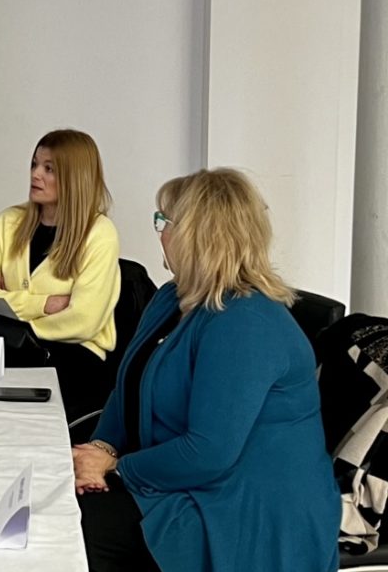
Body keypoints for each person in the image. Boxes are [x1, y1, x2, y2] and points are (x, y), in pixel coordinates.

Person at [74, 168, 340, 572]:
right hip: (184, 480)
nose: (159, 232)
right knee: (59, 508)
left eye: (164, 221)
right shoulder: (171, 298)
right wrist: (101, 448)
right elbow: (128, 386)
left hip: (244, 509)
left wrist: (115, 467)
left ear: (197, 235)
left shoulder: (246, 322)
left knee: (75, 531)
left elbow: (208, 452)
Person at [0, 129, 120, 419]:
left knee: (9, 408)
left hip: (76, 356)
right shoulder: (8, 222)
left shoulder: (99, 233)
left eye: (49, 168)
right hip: (14, 348)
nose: (35, 174)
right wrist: (45, 304)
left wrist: (10, 309)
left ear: (75, 177)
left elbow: (83, 321)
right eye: (34, 164)